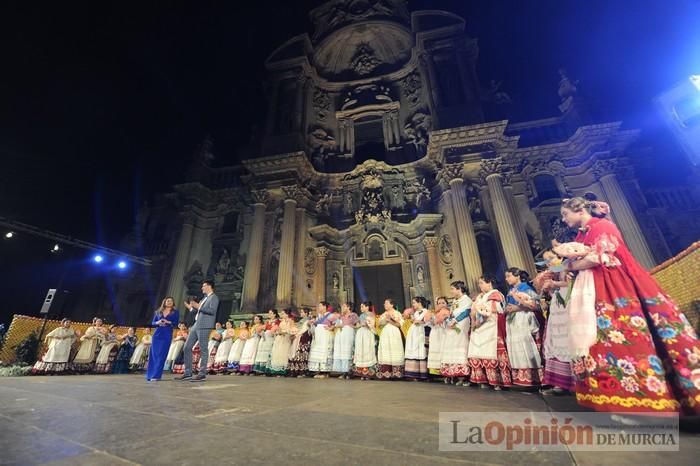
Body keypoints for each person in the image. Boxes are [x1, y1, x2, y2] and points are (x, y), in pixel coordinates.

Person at [560, 196, 700, 415]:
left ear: (578, 210)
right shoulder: (583, 233)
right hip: (594, 288)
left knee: (621, 333)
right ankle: (614, 397)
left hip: (615, 286)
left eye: (565, 214)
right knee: (599, 338)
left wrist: (571, 263)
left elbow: (603, 256)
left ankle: (640, 400)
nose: (563, 219)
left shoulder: (602, 226)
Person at [535, 250, 576, 395]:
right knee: (555, 340)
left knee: (567, 339)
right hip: (557, 305)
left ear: (559, 257)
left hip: (567, 303)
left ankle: (574, 380)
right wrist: (547, 287)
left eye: (551, 259)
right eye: (546, 261)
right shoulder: (554, 270)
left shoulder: (566, 265)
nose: (549, 263)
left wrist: (553, 283)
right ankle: (560, 382)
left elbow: (571, 282)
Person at [467, 275, 512, 390]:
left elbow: (491, 311)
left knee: (492, 351)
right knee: (479, 351)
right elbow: (474, 310)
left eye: (482, 283)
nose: (479, 286)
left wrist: (478, 322)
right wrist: (474, 321)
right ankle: (484, 379)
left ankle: (498, 381)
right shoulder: (480, 297)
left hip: (491, 327)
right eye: (479, 283)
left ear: (490, 283)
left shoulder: (495, 295)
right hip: (480, 328)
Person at [505, 268, 544, 388]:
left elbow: (536, 305)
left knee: (525, 344)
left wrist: (519, 308)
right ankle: (520, 378)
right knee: (515, 345)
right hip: (513, 320)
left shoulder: (526, 287)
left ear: (517, 276)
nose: (506, 279)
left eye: (509, 276)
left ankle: (533, 377)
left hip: (523, 318)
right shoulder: (511, 290)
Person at [175, 280, 219, 382]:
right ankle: (188, 372)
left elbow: (212, 311)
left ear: (209, 286)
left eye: (203, 286)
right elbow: (199, 310)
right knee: (187, 347)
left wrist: (198, 306)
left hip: (205, 325)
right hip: (196, 324)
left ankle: (202, 373)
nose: (202, 288)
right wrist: (192, 308)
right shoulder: (204, 298)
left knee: (203, 349)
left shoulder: (214, 297)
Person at [440, 281, 472, 385]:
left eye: (452, 289)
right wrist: (449, 320)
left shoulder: (466, 299)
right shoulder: (454, 300)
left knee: (461, 345)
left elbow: (466, 312)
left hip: (461, 324)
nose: (451, 291)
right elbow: (452, 312)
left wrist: (455, 320)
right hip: (452, 325)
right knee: (452, 346)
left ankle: (465, 375)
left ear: (459, 289)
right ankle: (457, 375)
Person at [308, 302, 338, 379]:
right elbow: (315, 326)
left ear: (325, 307)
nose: (319, 307)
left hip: (325, 336)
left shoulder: (330, 315)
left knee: (325, 353)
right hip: (319, 337)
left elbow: (338, 322)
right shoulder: (319, 317)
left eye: (320, 306)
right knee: (319, 353)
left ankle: (325, 372)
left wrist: (331, 328)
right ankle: (319, 370)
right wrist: (312, 323)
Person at [376, 298, 405, 379]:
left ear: (392, 305)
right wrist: (384, 320)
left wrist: (390, 320)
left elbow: (399, 325)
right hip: (385, 333)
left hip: (394, 333)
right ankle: (386, 373)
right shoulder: (383, 314)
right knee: (386, 350)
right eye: (384, 303)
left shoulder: (397, 313)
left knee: (395, 349)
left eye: (386, 303)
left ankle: (396, 373)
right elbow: (379, 325)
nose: (384, 305)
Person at [404, 297, 431, 380]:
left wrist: (420, 322)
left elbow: (428, 322)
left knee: (422, 351)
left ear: (419, 303)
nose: (413, 304)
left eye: (414, 302)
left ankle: (423, 374)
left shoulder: (426, 311)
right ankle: (414, 374)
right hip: (414, 333)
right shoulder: (415, 313)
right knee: (414, 351)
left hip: (422, 332)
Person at [331, 302, 358, 379]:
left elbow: (357, 325)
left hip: (348, 334)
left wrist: (348, 326)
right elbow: (335, 324)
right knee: (341, 352)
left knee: (348, 351)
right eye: (342, 306)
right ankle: (343, 371)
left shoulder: (353, 315)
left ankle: (349, 371)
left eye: (344, 306)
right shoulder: (341, 316)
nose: (342, 308)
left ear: (348, 307)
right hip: (341, 335)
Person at [352, 302, 377, 380]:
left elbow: (372, 325)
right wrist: (356, 325)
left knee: (368, 350)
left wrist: (366, 324)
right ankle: (362, 372)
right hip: (361, 333)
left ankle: (369, 373)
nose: (361, 308)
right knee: (361, 351)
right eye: (360, 307)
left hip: (367, 333)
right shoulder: (361, 315)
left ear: (367, 307)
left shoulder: (371, 314)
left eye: (362, 307)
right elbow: (358, 325)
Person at [268, 309, 296, 376]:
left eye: (283, 313)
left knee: (283, 353)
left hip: (285, 338)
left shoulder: (290, 321)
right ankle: (276, 370)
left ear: (287, 314)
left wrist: (283, 332)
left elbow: (293, 330)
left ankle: (283, 370)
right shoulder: (281, 321)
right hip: (279, 338)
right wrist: (277, 332)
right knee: (277, 352)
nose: (281, 315)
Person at [427, 297, 450, 378]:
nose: (441, 305)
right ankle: (437, 372)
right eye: (439, 303)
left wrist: (444, 319)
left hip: (444, 333)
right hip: (435, 333)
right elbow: (431, 324)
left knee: (443, 350)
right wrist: (431, 319)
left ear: (447, 304)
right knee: (435, 349)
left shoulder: (449, 312)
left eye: (443, 303)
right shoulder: (434, 313)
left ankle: (446, 372)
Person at [288, 308, 313, 377]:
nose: (301, 313)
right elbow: (297, 329)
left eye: (302, 312)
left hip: (304, 339)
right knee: (297, 354)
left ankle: (303, 371)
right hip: (298, 338)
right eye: (301, 312)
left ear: (306, 313)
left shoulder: (308, 320)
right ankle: (295, 371)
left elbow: (308, 330)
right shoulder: (301, 321)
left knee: (302, 355)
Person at [253, 310, 279, 375]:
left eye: (271, 313)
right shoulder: (268, 321)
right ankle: (260, 370)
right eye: (269, 313)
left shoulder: (277, 321)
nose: (269, 314)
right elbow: (262, 328)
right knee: (261, 352)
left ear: (275, 314)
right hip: (265, 337)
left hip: (271, 337)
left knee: (267, 353)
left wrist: (273, 332)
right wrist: (261, 332)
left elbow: (276, 329)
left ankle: (266, 369)